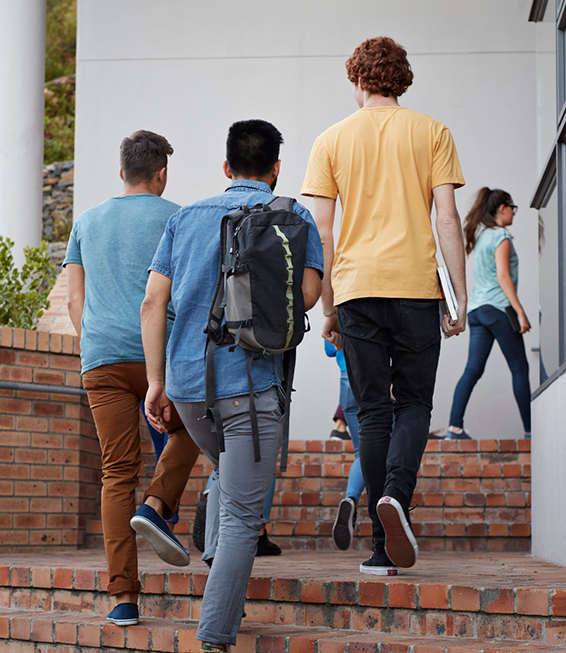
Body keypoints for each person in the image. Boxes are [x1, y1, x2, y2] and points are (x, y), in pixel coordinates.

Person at [142, 119, 322, 653]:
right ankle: (215, 637)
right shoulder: (294, 215)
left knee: (227, 474)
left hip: (188, 387)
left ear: (226, 167)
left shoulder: (184, 218)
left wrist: (156, 382)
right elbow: (308, 296)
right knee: (244, 515)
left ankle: (224, 582)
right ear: (276, 168)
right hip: (251, 381)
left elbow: (153, 303)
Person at [302, 36, 467, 575]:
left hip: (356, 290)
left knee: (372, 411)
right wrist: (459, 294)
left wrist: (328, 305)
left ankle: (379, 547)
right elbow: (447, 218)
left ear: (357, 79)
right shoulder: (433, 132)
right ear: (401, 80)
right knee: (414, 403)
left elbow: (321, 233)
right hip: (416, 286)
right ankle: (397, 494)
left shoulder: (331, 140)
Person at [63, 130, 201, 627]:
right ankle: (157, 503)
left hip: (101, 358)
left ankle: (123, 597)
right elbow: (188, 294)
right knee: (192, 430)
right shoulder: (179, 218)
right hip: (160, 355)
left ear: (122, 171)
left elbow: (74, 300)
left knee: (116, 471)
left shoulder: (87, 221)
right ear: (161, 173)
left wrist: (97, 342)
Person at [446, 188, 531, 441]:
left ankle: (454, 428)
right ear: (502, 208)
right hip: (497, 309)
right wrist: (520, 313)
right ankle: (530, 432)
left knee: (472, 370)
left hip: (477, 311)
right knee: (520, 368)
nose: (514, 213)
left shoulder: (482, 237)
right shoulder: (501, 236)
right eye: (512, 208)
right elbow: (503, 277)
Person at [326, 339, 365, 550]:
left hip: (347, 382)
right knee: (388, 449)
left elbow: (329, 349)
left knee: (362, 452)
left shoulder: (337, 314)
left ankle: (351, 499)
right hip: (377, 378)